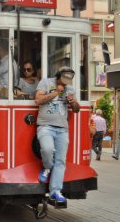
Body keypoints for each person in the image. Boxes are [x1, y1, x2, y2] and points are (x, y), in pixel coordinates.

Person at [35, 66, 80, 203]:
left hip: (62, 128)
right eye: (64, 79)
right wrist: (56, 93)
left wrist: (73, 102)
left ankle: (55, 191)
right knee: (47, 149)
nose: (66, 83)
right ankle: (47, 166)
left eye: (68, 80)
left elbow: (77, 109)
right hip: (45, 126)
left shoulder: (70, 89)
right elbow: (38, 100)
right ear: (58, 76)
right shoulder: (46, 82)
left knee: (60, 160)